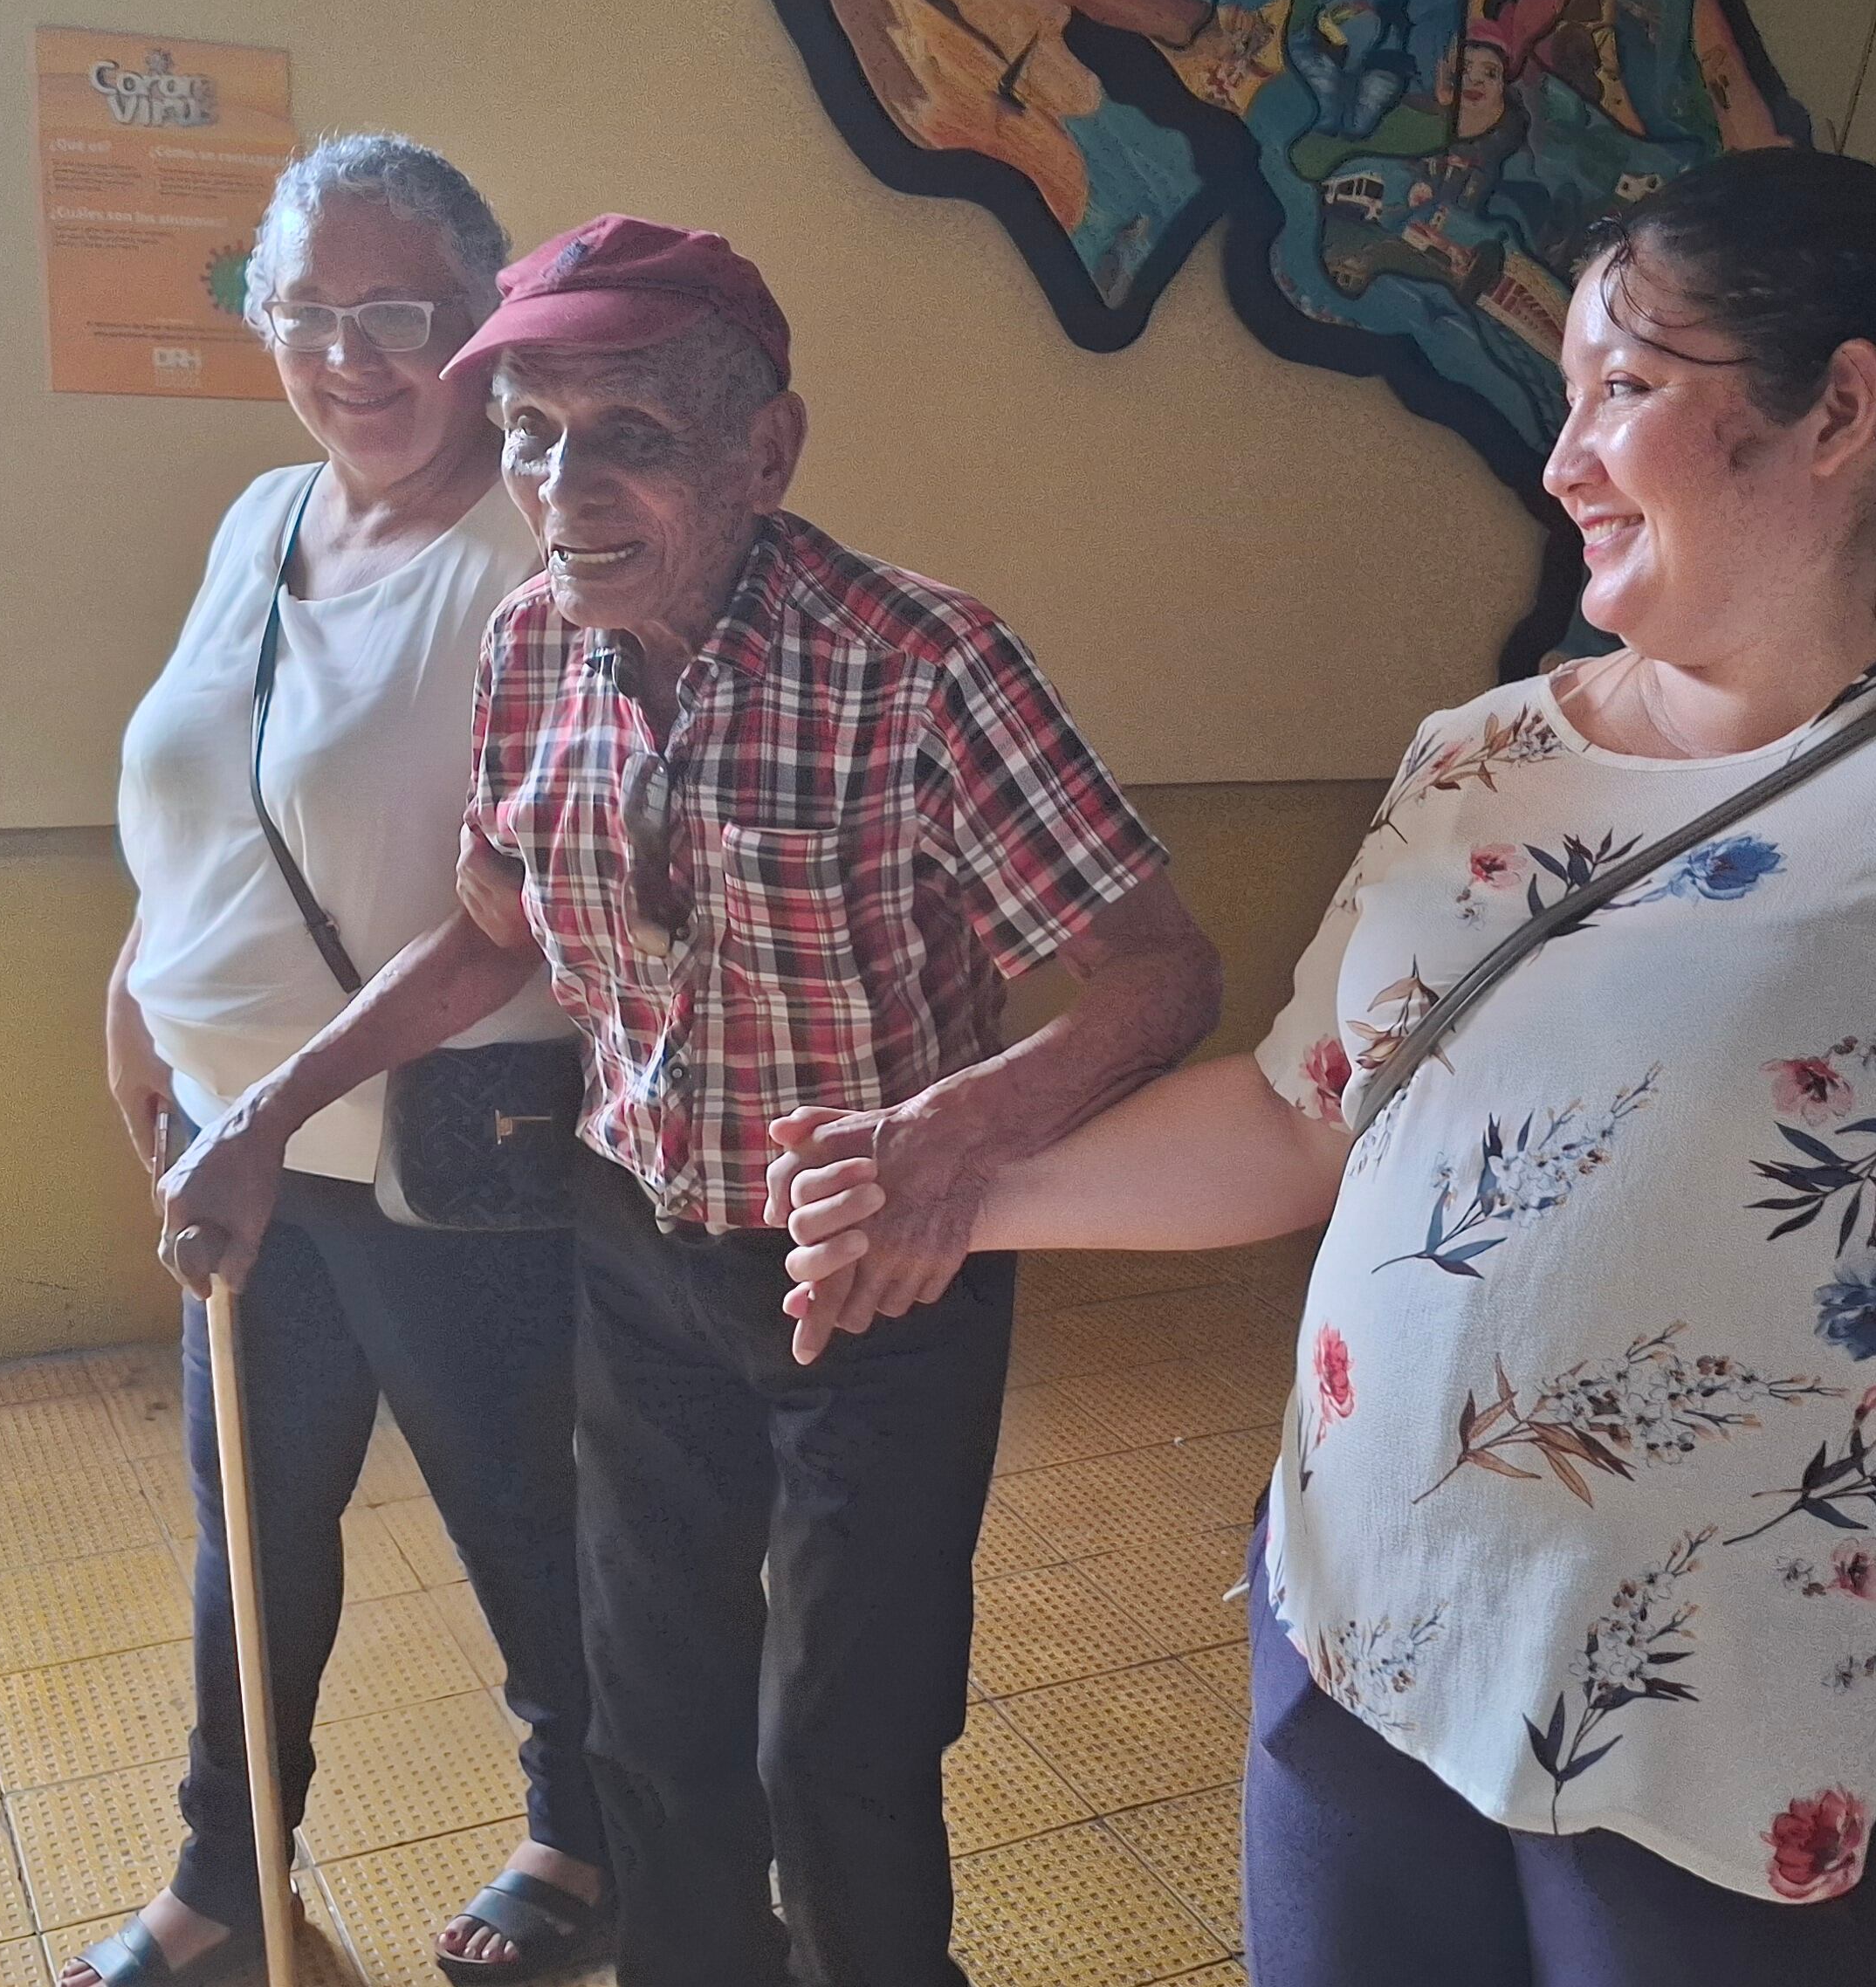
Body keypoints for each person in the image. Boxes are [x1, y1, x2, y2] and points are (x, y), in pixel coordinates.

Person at [773, 148, 1876, 1987]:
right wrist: (967, 1190)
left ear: (1839, 408)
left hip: (1755, 1743)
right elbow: (1311, 1113)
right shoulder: (1484, 758)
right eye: (1566, 397)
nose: (1562, 460)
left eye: (1625, 385)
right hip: (1367, 1644)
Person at [155, 213, 1226, 1987]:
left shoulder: (922, 665)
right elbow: (487, 934)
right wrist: (264, 1108)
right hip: (636, 1255)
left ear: (765, 450)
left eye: (629, 436)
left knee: (843, 1752)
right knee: (653, 1731)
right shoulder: (531, 647)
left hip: (871, 1284)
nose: (560, 485)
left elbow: (1162, 972)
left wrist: (955, 1135)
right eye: (528, 430)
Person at [85, 134, 608, 1987]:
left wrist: (267, 1097)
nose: (351, 355)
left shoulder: (523, 561)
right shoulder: (262, 515)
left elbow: (521, 910)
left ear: (486, 322)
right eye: (305, 310)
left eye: (401, 313)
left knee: (517, 1506)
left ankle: (584, 1832)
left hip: (435, 1133)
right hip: (235, 1140)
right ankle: (229, 1885)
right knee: (255, 1532)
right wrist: (137, 975)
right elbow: (204, 786)